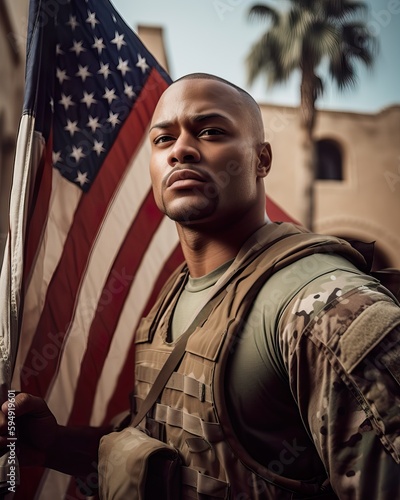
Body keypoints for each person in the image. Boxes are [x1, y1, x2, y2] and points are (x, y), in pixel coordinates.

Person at [1, 73, 400, 499]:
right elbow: (169, 452)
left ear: (262, 160)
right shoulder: (172, 297)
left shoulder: (330, 309)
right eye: (162, 139)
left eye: (211, 131)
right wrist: (56, 445)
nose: (181, 150)